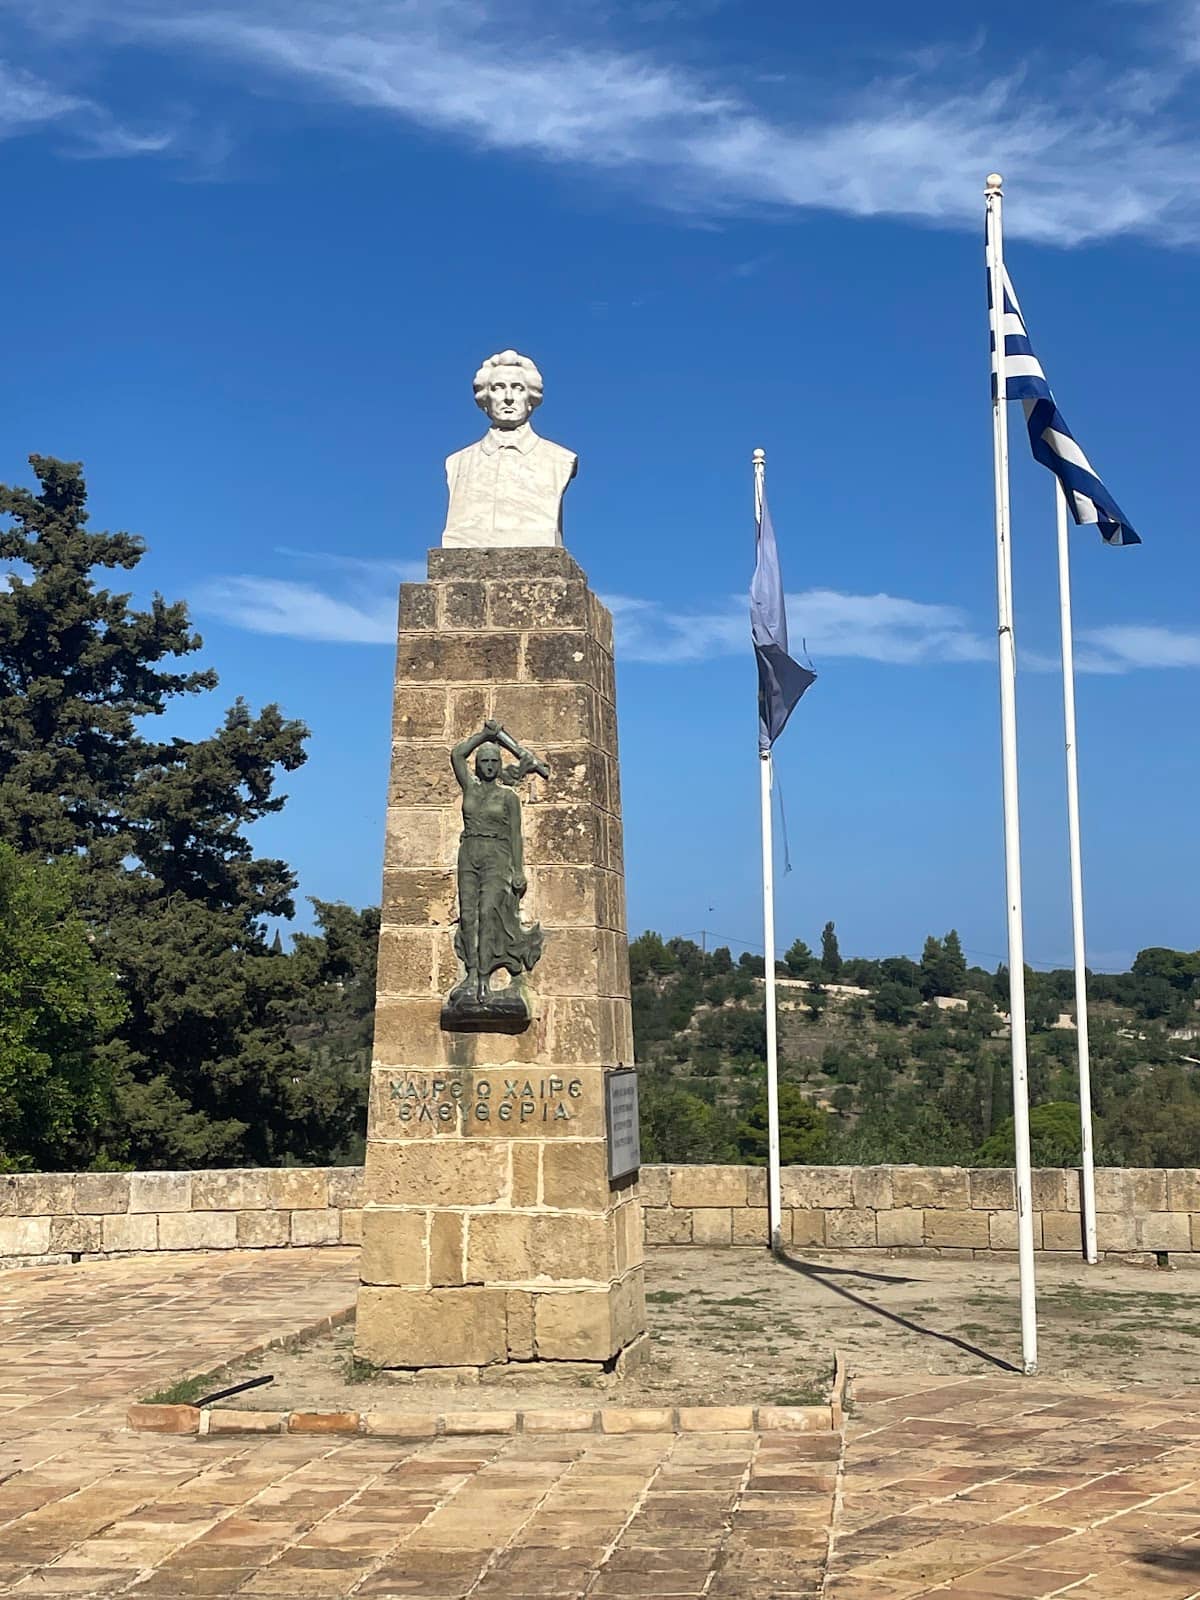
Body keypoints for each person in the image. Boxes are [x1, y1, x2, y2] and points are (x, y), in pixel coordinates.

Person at [449, 720, 542, 1006]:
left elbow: (516, 836)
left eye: (493, 761)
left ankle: (486, 977)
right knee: (468, 914)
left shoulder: (508, 797)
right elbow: (456, 755)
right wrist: (485, 736)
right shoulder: (470, 789)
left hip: (497, 855)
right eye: (484, 761)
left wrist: (519, 870)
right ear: (478, 765)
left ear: (499, 765)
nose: (488, 765)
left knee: (489, 912)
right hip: (470, 850)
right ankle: (472, 973)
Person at [441, 350, 577, 548]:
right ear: (485, 398)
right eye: (498, 388)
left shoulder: (559, 459)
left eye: (517, 388)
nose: (508, 398)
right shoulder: (457, 463)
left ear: (531, 398)